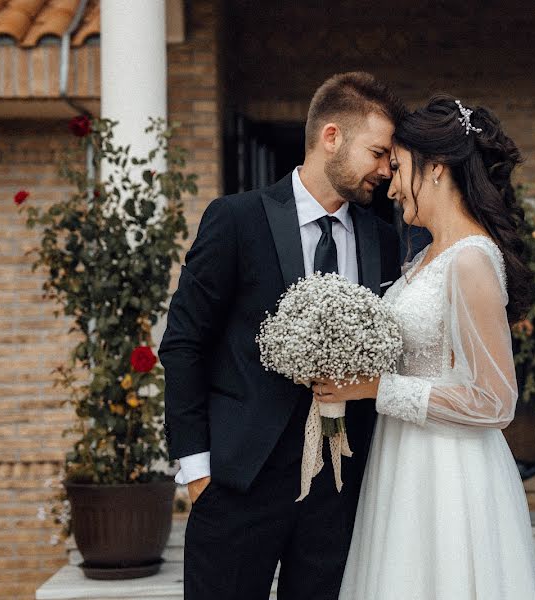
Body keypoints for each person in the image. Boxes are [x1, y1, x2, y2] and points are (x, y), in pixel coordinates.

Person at [159, 72, 404, 600]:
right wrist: (197, 472)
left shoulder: (384, 240)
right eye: (379, 153)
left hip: (337, 491)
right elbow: (183, 342)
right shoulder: (236, 219)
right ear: (331, 136)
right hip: (236, 482)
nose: (386, 171)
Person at [312, 96, 535, 599]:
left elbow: (496, 401)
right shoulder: (424, 258)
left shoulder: (470, 262)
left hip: (449, 473)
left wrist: (374, 388)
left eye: (399, 169)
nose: (391, 186)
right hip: (405, 459)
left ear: (436, 168)